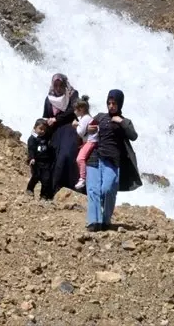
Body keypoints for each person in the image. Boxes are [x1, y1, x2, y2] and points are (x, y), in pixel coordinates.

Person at [85, 89, 141, 232]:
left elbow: (133, 136)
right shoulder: (100, 116)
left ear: (120, 104)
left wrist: (121, 122)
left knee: (108, 189)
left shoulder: (125, 121)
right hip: (94, 156)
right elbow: (86, 127)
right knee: (93, 189)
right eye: (109, 103)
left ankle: (106, 219)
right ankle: (94, 222)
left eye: (114, 103)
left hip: (111, 159)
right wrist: (89, 128)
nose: (111, 106)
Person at [42, 73, 81, 195]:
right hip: (55, 131)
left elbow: (72, 111)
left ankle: (72, 186)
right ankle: (52, 189)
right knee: (53, 156)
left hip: (70, 128)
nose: (58, 88)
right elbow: (46, 115)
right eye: (56, 85)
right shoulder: (48, 99)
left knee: (67, 155)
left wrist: (56, 119)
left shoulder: (73, 94)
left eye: (61, 85)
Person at [25, 118, 56, 199]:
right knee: (36, 176)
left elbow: (50, 133)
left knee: (46, 179)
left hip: (46, 162)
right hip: (36, 162)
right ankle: (29, 189)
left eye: (44, 130)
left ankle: (43, 195)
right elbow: (31, 149)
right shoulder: (32, 139)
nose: (42, 131)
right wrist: (31, 158)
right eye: (40, 129)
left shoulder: (45, 137)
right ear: (35, 127)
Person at [72, 96, 97, 191]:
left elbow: (80, 132)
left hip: (91, 141)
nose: (74, 111)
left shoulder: (85, 118)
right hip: (88, 141)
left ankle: (82, 178)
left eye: (76, 109)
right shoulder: (85, 118)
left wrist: (76, 125)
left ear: (81, 109)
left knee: (80, 159)